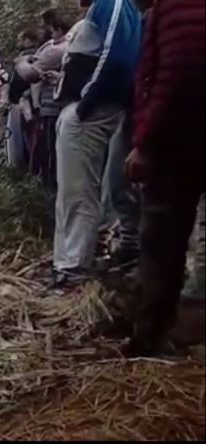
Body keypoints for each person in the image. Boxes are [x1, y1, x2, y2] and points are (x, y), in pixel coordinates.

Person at [122, 0, 205, 356]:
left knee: (162, 238)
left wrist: (144, 142)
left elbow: (175, 75)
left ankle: (152, 335)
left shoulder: (178, 8)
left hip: (180, 140)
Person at [49, 0, 141, 289]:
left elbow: (117, 57)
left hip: (91, 110)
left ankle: (73, 267)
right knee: (74, 191)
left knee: (79, 190)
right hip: (85, 109)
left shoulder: (112, 3)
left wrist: (86, 101)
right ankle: (67, 262)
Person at [15, 9, 72, 189]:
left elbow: (29, 74)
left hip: (51, 107)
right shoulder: (57, 45)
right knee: (47, 151)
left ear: (58, 28)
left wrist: (21, 62)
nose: (43, 30)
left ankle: (48, 193)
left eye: (47, 27)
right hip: (49, 105)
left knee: (49, 153)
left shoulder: (58, 49)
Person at [7, 29, 42, 171]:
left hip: (28, 101)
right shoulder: (41, 54)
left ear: (28, 40)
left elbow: (18, 81)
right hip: (38, 101)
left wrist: (14, 97)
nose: (19, 43)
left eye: (21, 39)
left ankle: (32, 170)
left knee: (30, 137)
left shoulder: (25, 58)